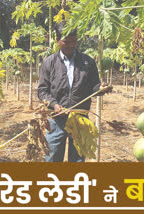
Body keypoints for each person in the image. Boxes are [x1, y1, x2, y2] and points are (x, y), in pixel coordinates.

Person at [37, 22, 110, 162]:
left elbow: (94, 87)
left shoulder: (88, 62)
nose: (71, 45)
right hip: (56, 120)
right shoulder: (49, 62)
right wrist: (54, 105)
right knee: (52, 158)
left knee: (77, 160)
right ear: (57, 40)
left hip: (80, 118)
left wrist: (100, 89)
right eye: (66, 41)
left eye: (74, 41)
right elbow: (42, 91)